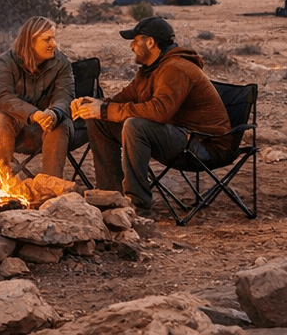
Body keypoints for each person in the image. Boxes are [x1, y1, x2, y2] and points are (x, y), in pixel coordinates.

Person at [72, 16, 231, 215]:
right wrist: (94, 105)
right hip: (180, 137)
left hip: (204, 146)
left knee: (134, 125)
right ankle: (110, 197)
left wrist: (105, 110)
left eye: (135, 40)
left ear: (150, 42)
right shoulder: (150, 70)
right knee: (99, 120)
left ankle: (137, 206)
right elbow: (123, 99)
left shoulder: (175, 68)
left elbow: (159, 111)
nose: (131, 46)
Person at [0, 17, 74, 178]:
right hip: (18, 129)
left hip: (49, 126)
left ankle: (51, 186)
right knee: (0, 118)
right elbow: (2, 97)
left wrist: (53, 114)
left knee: (59, 125)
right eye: (47, 39)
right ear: (30, 42)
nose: (53, 44)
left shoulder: (61, 63)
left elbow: (65, 96)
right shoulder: (7, 62)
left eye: (53, 38)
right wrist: (34, 114)